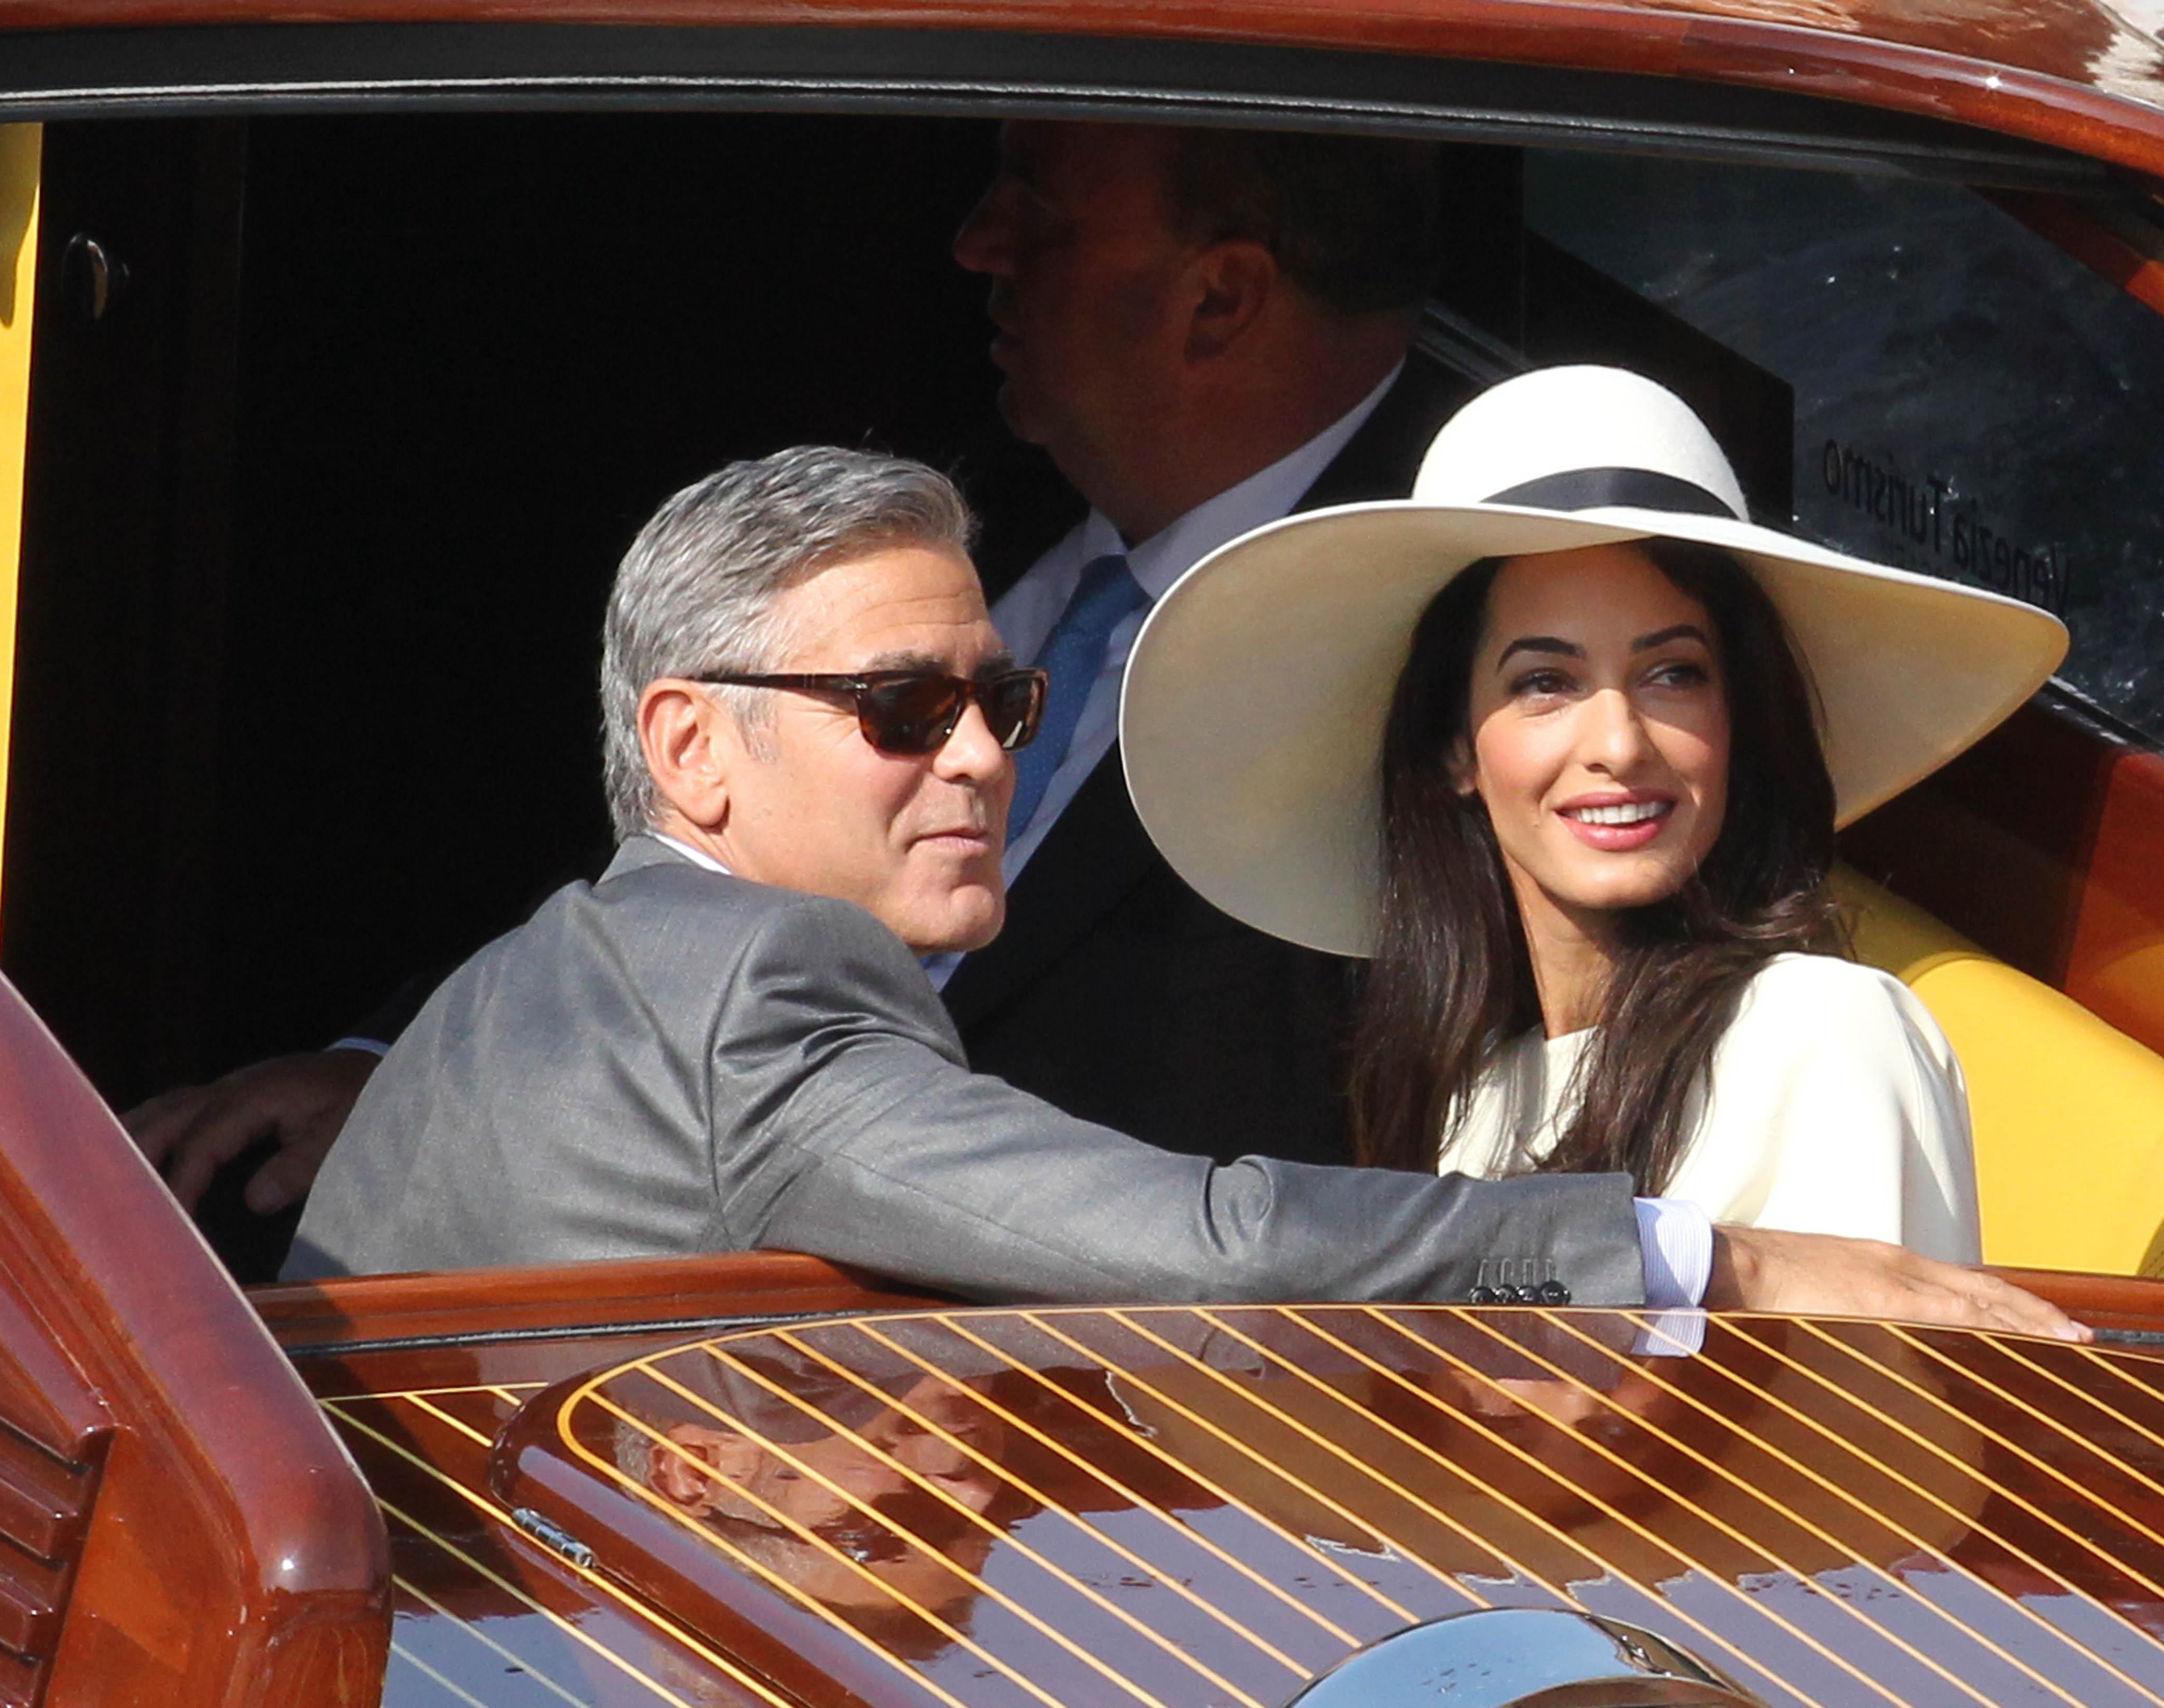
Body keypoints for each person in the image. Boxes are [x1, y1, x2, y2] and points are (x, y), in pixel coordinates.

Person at [286, 444, 2081, 1343]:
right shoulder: (759, 983)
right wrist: (1710, 1256)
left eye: (999, 702)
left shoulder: (509, 990)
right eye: (906, 711)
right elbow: (1191, 1243)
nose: (982, 757)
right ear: (690, 751)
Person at [131, 119, 1463, 1227]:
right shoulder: (963, 500)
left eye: (1038, 213)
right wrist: (411, 1073)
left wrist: (1618, 1254)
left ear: (1220, 295)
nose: (975, 243)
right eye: (908, 709)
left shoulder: (1464, 631)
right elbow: (681, 856)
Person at [1120, 366, 2071, 1254]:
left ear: (1737, 718)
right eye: (1546, 682)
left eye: (1673, 674)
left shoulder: (1822, 1031)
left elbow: (1856, 1429)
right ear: (1455, 747)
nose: (1619, 742)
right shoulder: (1478, 1096)